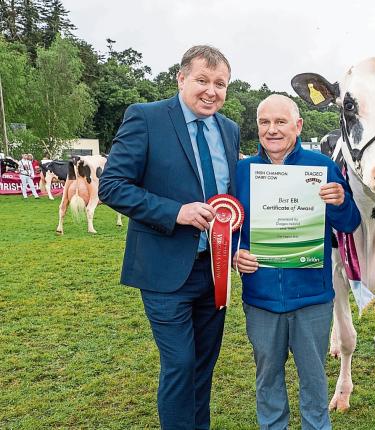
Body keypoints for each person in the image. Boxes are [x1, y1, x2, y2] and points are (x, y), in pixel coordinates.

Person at [98, 45, 240, 429]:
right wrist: (176, 212)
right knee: (179, 365)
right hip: (164, 272)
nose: (212, 91)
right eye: (202, 81)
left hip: (215, 270)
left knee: (203, 368)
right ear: (180, 78)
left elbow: (232, 198)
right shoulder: (145, 118)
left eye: (220, 84)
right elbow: (111, 186)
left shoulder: (229, 129)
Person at [232, 95, 360, 430]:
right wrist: (235, 253)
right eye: (264, 123)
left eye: (280, 122)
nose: (272, 130)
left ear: (298, 125)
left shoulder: (322, 167)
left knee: (315, 384)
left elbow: (349, 224)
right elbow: (228, 225)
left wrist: (341, 200)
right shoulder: (243, 170)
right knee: (268, 382)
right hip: (261, 300)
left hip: (312, 301)